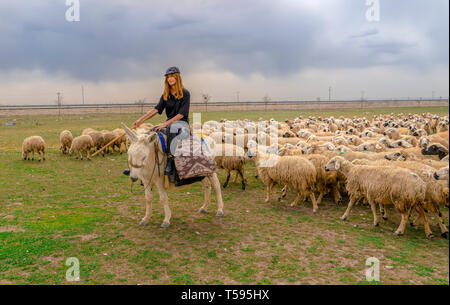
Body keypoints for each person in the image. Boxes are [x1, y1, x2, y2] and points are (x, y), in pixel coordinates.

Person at [123, 66, 191, 182]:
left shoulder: (185, 93)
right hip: (169, 123)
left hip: (181, 124)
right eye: (168, 77)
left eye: (172, 76)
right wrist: (140, 120)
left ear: (177, 77)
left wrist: (165, 125)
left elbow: (181, 114)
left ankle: (170, 162)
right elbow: (156, 109)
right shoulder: (166, 94)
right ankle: (138, 166)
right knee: (149, 134)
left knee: (171, 130)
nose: (170, 79)